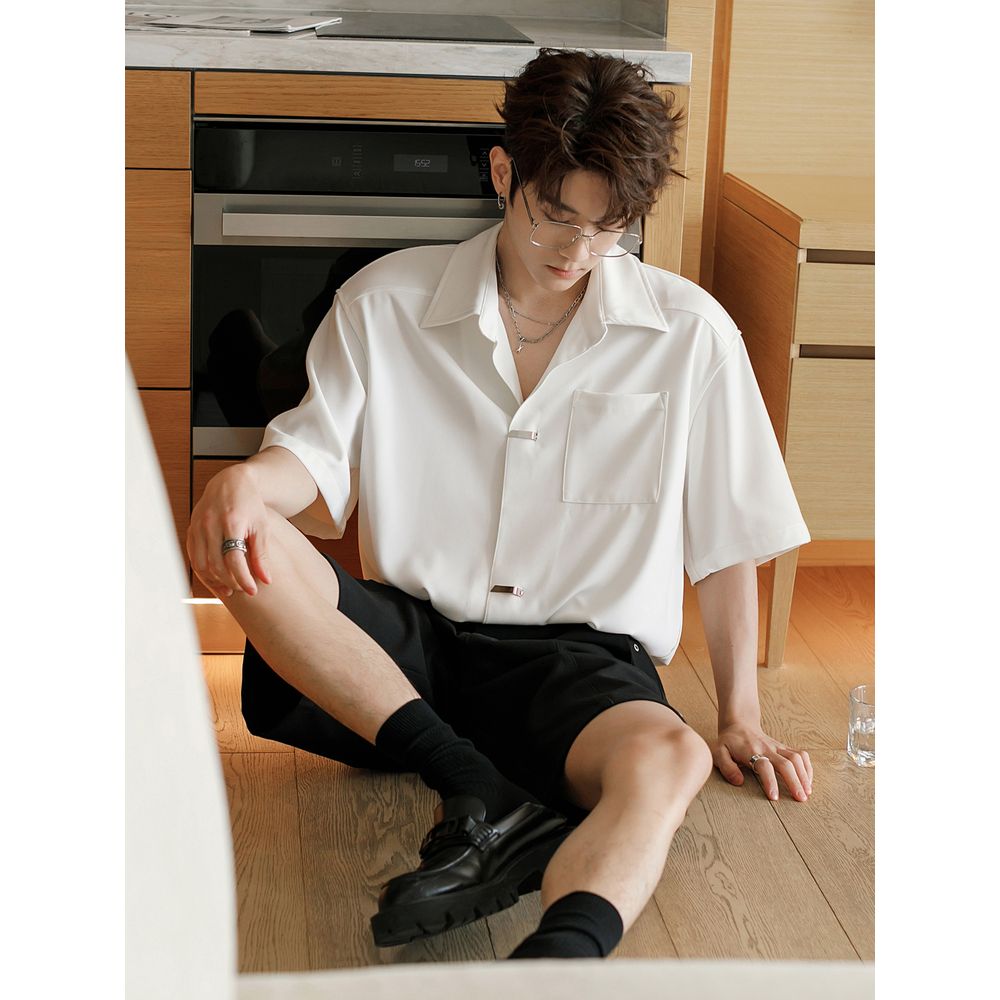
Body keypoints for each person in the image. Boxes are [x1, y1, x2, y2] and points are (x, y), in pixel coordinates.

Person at [187, 47, 814, 961]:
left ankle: (552, 967)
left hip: (579, 671)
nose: (577, 251)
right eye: (555, 215)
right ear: (502, 172)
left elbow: (726, 539)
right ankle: (471, 781)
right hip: (406, 657)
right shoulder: (383, 302)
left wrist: (740, 714)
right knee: (250, 535)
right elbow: (311, 462)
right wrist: (246, 480)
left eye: (608, 229)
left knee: (671, 759)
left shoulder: (691, 335)